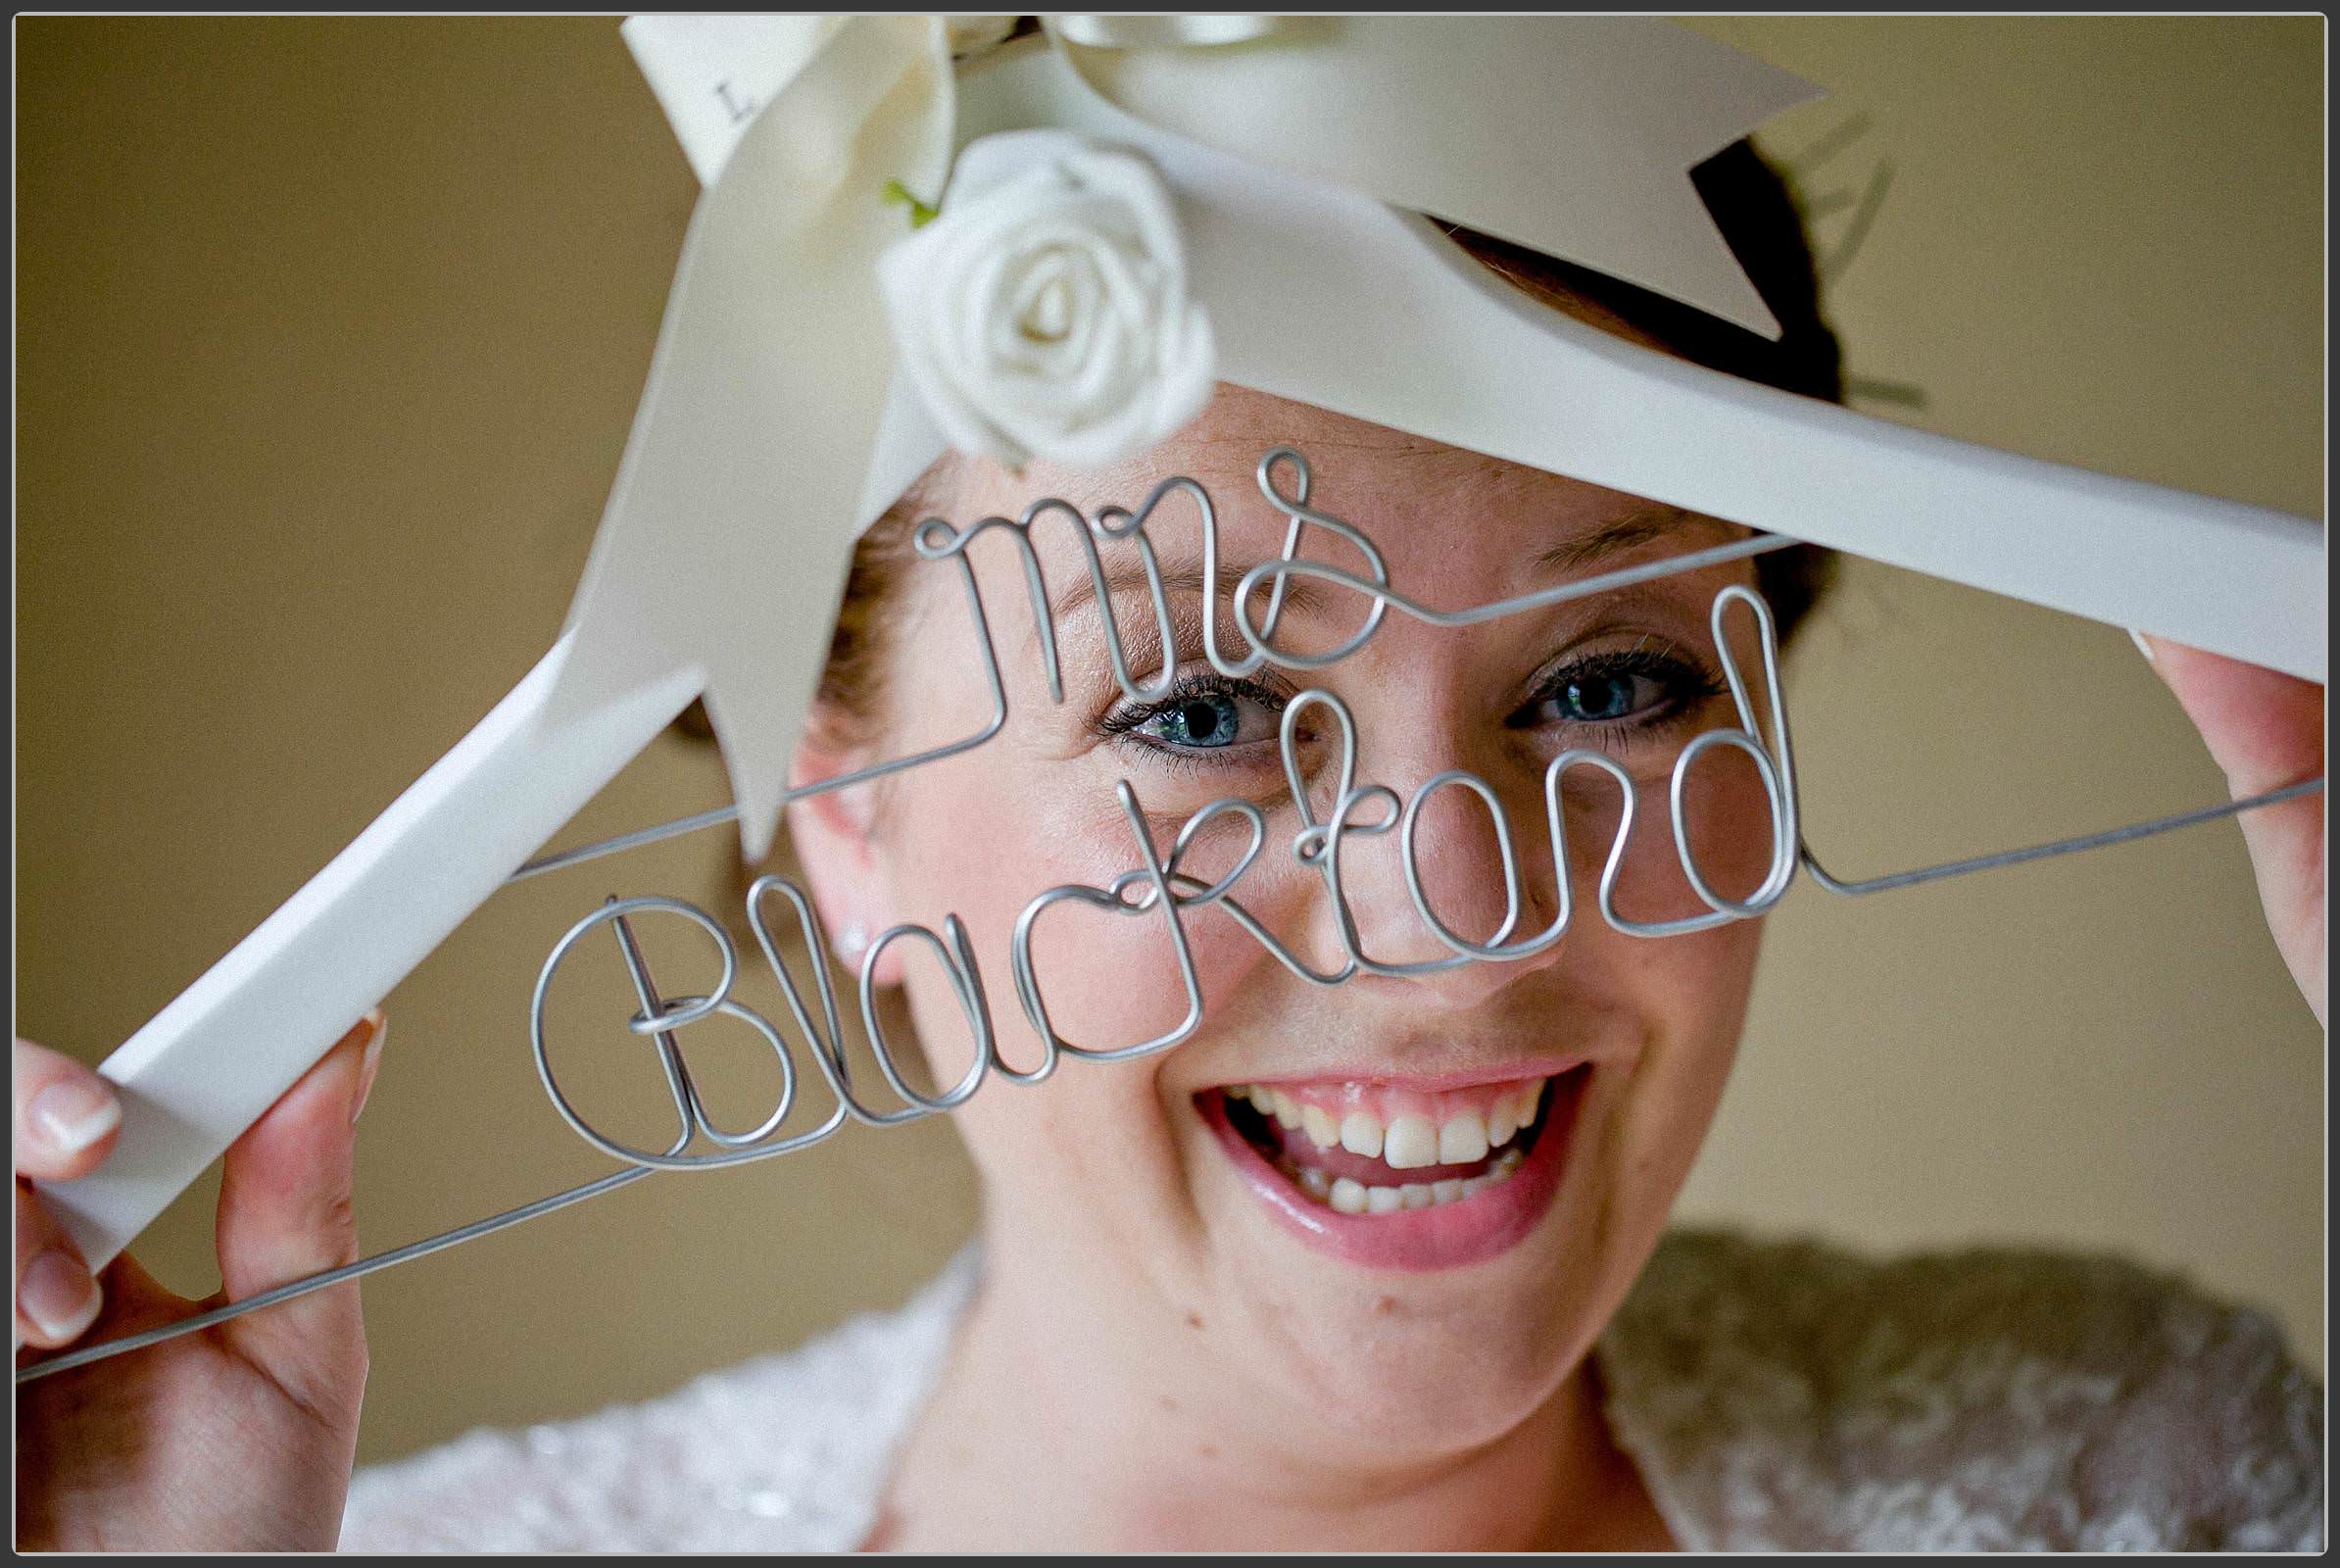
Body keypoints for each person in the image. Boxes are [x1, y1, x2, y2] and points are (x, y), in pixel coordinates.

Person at [15, 137, 2324, 1553]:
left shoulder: (2150, 1467)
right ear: (844, 813)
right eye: (1201, 708)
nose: (1447, 913)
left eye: (1612, 678)